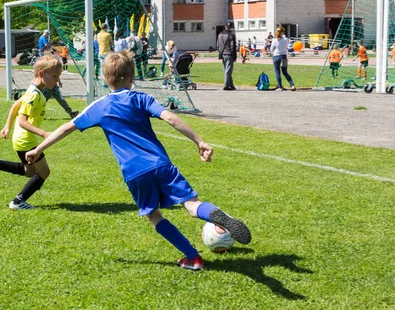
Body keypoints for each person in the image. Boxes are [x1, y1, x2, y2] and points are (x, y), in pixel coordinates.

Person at [25, 51, 251, 271]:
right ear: (132, 78)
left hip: (134, 172)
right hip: (161, 164)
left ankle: (193, 257)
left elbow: (66, 128)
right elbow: (171, 118)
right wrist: (199, 141)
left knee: (154, 215)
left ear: (104, 79)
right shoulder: (142, 98)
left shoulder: (100, 106)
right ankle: (214, 215)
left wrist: (38, 149)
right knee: (192, 206)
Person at [0, 55, 62, 210]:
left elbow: (15, 106)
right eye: (55, 76)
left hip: (21, 139)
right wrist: (43, 133)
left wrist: (7, 127)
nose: (57, 81)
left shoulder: (33, 90)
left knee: (29, 172)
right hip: (26, 140)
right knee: (44, 172)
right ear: (42, 74)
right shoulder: (34, 94)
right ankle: (18, 201)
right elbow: (22, 121)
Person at [270, 26, 296, 91]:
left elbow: (271, 49)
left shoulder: (274, 40)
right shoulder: (285, 39)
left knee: (277, 72)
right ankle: (292, 85)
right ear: (282, 32)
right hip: (283, 56)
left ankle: (280, 87)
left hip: (276, 56)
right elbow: (288, 47)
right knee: (285, 72)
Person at [217, 22, 237, 90]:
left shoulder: (220, 34)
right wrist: (234, 56)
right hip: (229, 54)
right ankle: (226, 85)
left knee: (226, 70)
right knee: (228, 71)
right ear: (231, 27)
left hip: (222, 54)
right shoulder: (231, 35)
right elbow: (233, 47)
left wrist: (220, 52)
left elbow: (218, 45)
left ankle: (231, 85)